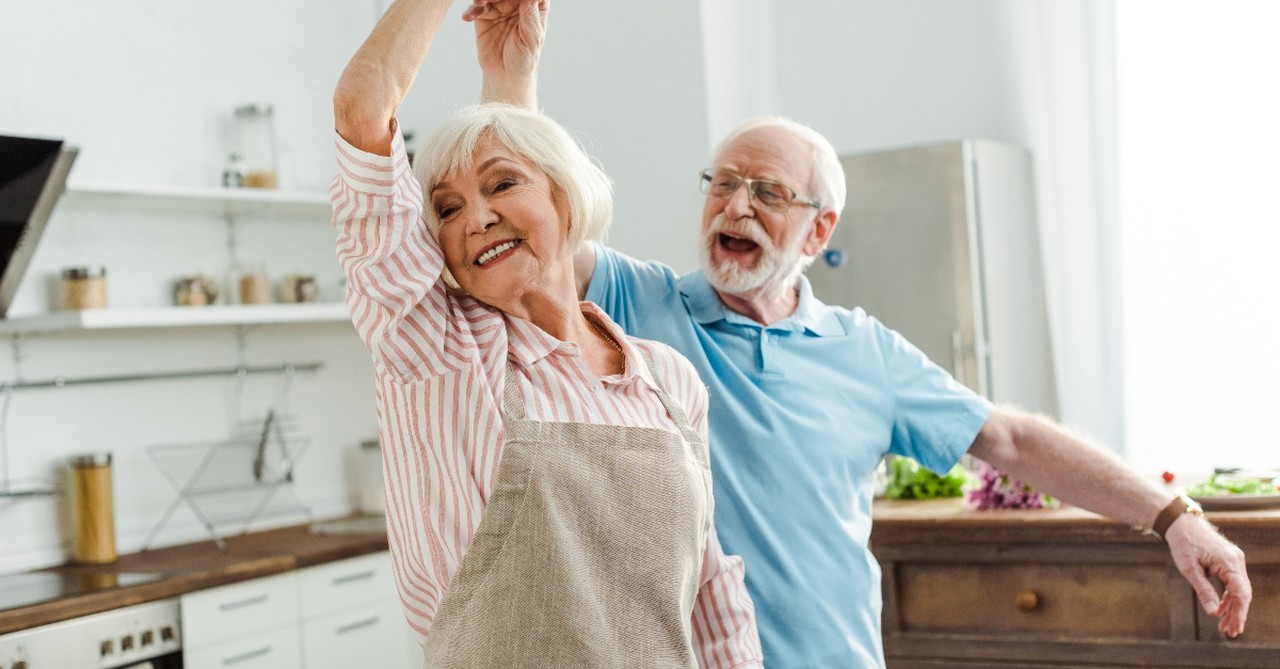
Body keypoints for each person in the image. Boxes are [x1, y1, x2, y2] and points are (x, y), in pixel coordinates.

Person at [462, 1, 1254, 667]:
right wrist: (511, 74)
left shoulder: (863, 349)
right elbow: (535, 238)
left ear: (818, 230)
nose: (735, 207)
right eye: (724, 184)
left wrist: (1174, 515)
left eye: (767, 192)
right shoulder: (641, 305)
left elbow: (1010, 438)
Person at [330, 1, 764, 666]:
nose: (476, 217)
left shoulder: (668, 381)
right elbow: (364, 108)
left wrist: (511, 74)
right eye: (446, 210)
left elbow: (708, 591)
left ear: (567, 196)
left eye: (502, 184)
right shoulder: (442, 352)